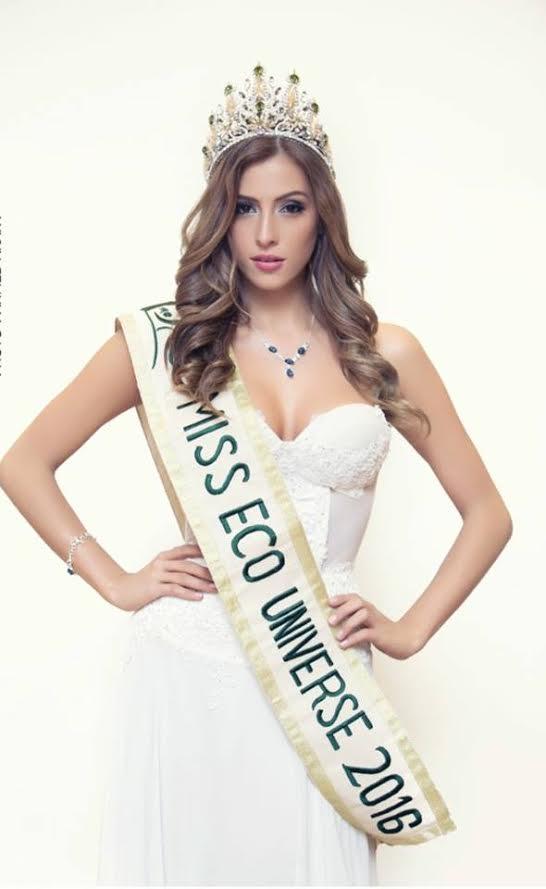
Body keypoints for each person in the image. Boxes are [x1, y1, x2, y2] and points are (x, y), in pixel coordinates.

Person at [0, 63, 512, 886]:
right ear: (221, 218)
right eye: (245, 207)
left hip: (326, 684)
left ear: (322, 217)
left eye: (291, 206)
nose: (266, 232)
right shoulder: (167, 346)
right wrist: (115, 578)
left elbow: (487, 512)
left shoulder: (386, 354)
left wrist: (410, 629)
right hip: (188, 666)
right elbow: (23, 461)